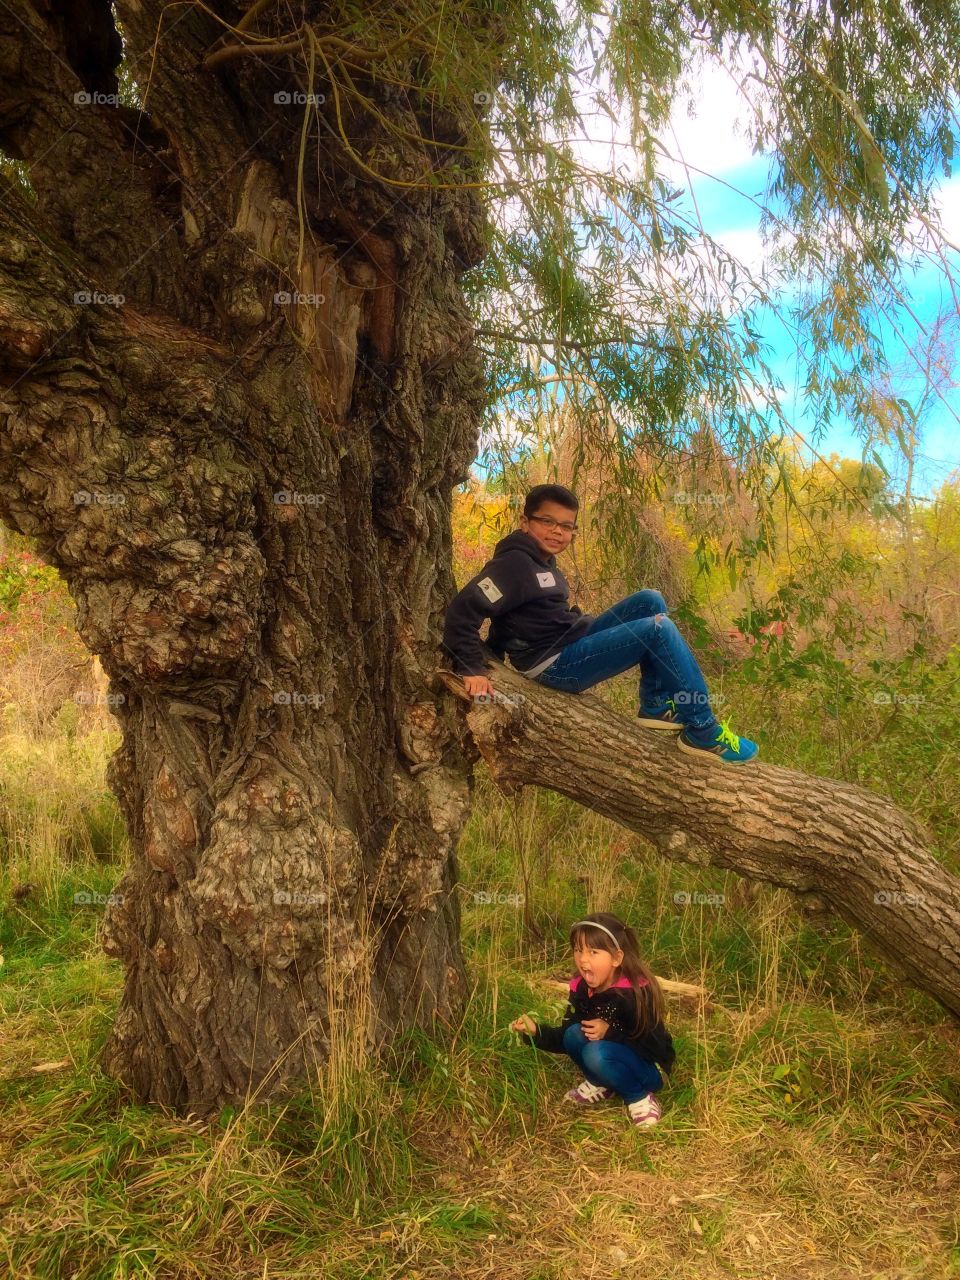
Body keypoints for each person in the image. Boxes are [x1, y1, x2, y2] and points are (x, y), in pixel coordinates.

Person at [441, 482, 758, 764]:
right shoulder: (513, 564)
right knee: (659, 628)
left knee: (650, 599)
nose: (558, 532)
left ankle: (656, 707)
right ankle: (703, 729)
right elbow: (461, 612)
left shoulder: (541, 562)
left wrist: (498, 650)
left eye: (567, 526)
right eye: (547, 522)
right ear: (525, 521)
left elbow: (508, 616)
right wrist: (473, 668)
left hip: (568, 640)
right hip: (554, 664)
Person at [509, 912, 674, 1129]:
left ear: (616, 958)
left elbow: (653, 1046)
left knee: (595, 1053)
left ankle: (639, 1097)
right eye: (578, 950)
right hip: (612, 1056)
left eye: (593, 952)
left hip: (650, 1068)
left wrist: (610, 1032)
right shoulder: (581, 988)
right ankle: (601, 1083)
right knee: (574, 1034)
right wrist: (536, 1032)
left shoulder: (634, 993)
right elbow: (566, 1037)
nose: (583, 959)